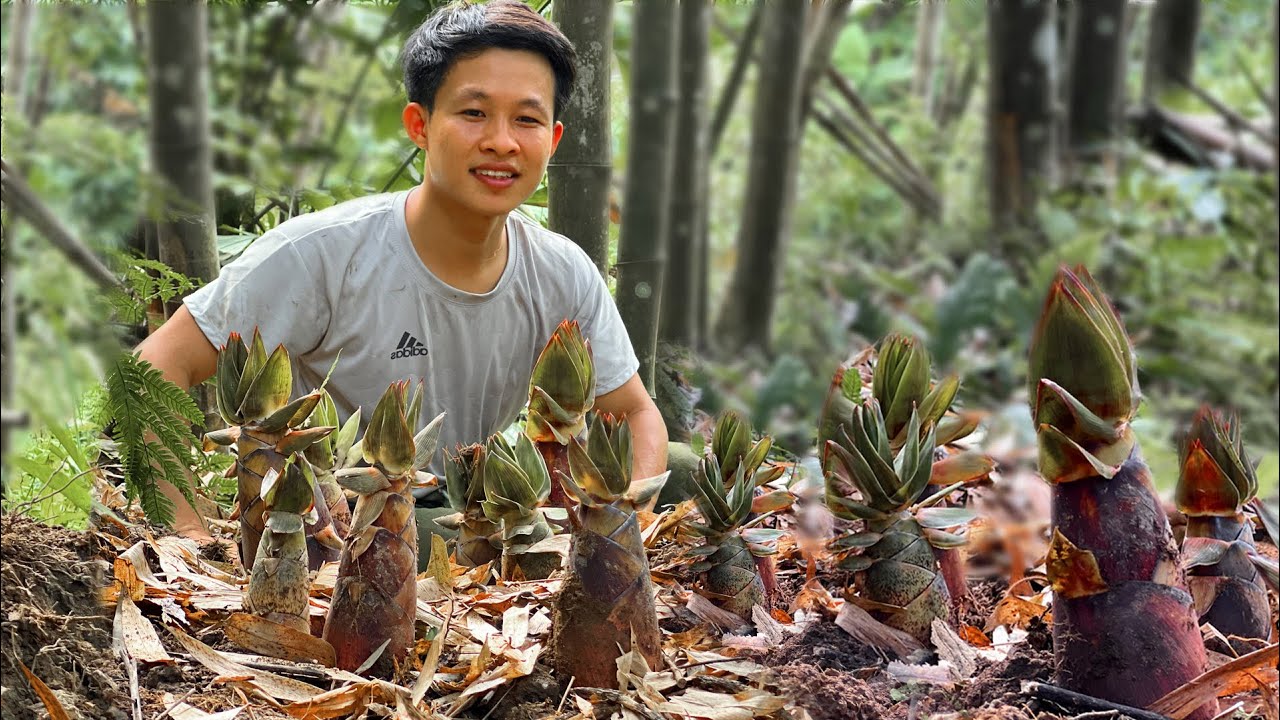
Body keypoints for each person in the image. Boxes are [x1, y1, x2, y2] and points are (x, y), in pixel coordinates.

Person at [137, 0, 668, 559]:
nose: (502, 142)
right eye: (474, 113)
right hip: (333, 527)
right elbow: (157, 366)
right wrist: (187, 532)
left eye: (527, 119)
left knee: (675, 467)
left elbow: (633, 411)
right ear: (420, 124)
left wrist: (622, 528)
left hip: (472, 509)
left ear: (554, 140)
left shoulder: (561, 270)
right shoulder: (323, 253)